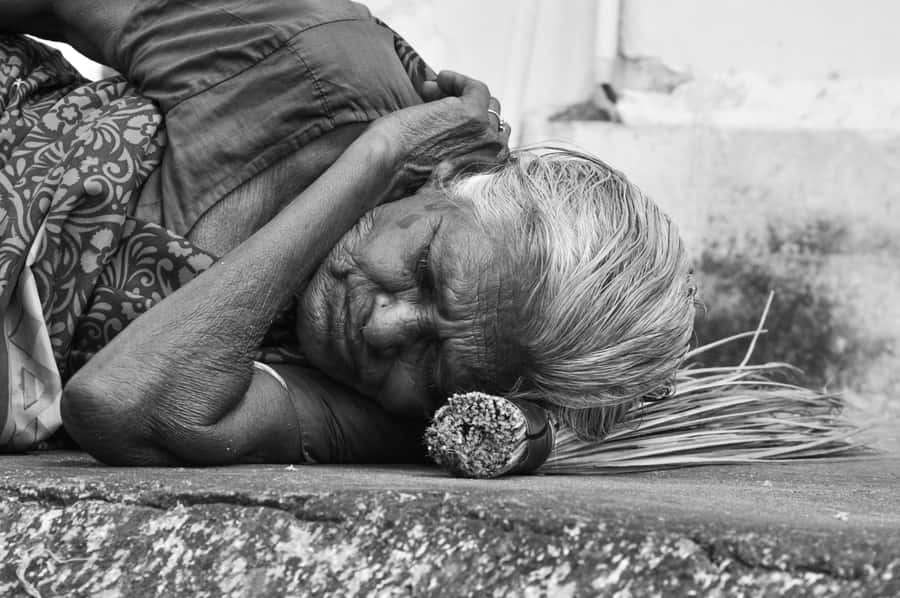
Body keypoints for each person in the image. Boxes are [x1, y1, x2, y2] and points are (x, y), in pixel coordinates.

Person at [0, 1, 697, 465]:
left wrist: (376, 161)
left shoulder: (373, 407)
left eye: (431, 364)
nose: (384, 328)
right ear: (451, 174)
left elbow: (118, 402)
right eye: (425, 269)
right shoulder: (317, 60)